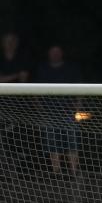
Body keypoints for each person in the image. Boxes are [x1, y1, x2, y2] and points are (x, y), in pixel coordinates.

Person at [35, 45, 82, 175]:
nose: (55, 54)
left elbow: (79, 91)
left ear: (62, 53)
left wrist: (77, 110)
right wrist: (41, 112)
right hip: (49, 113)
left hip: (68, 113)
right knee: (52, 143)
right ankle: (56, 174)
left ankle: (73, 172)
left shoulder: (71, 69)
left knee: (72, 142)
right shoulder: (42, 69)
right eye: (52, 52)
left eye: (57, 52)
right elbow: (35, 93)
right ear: (48, 54)